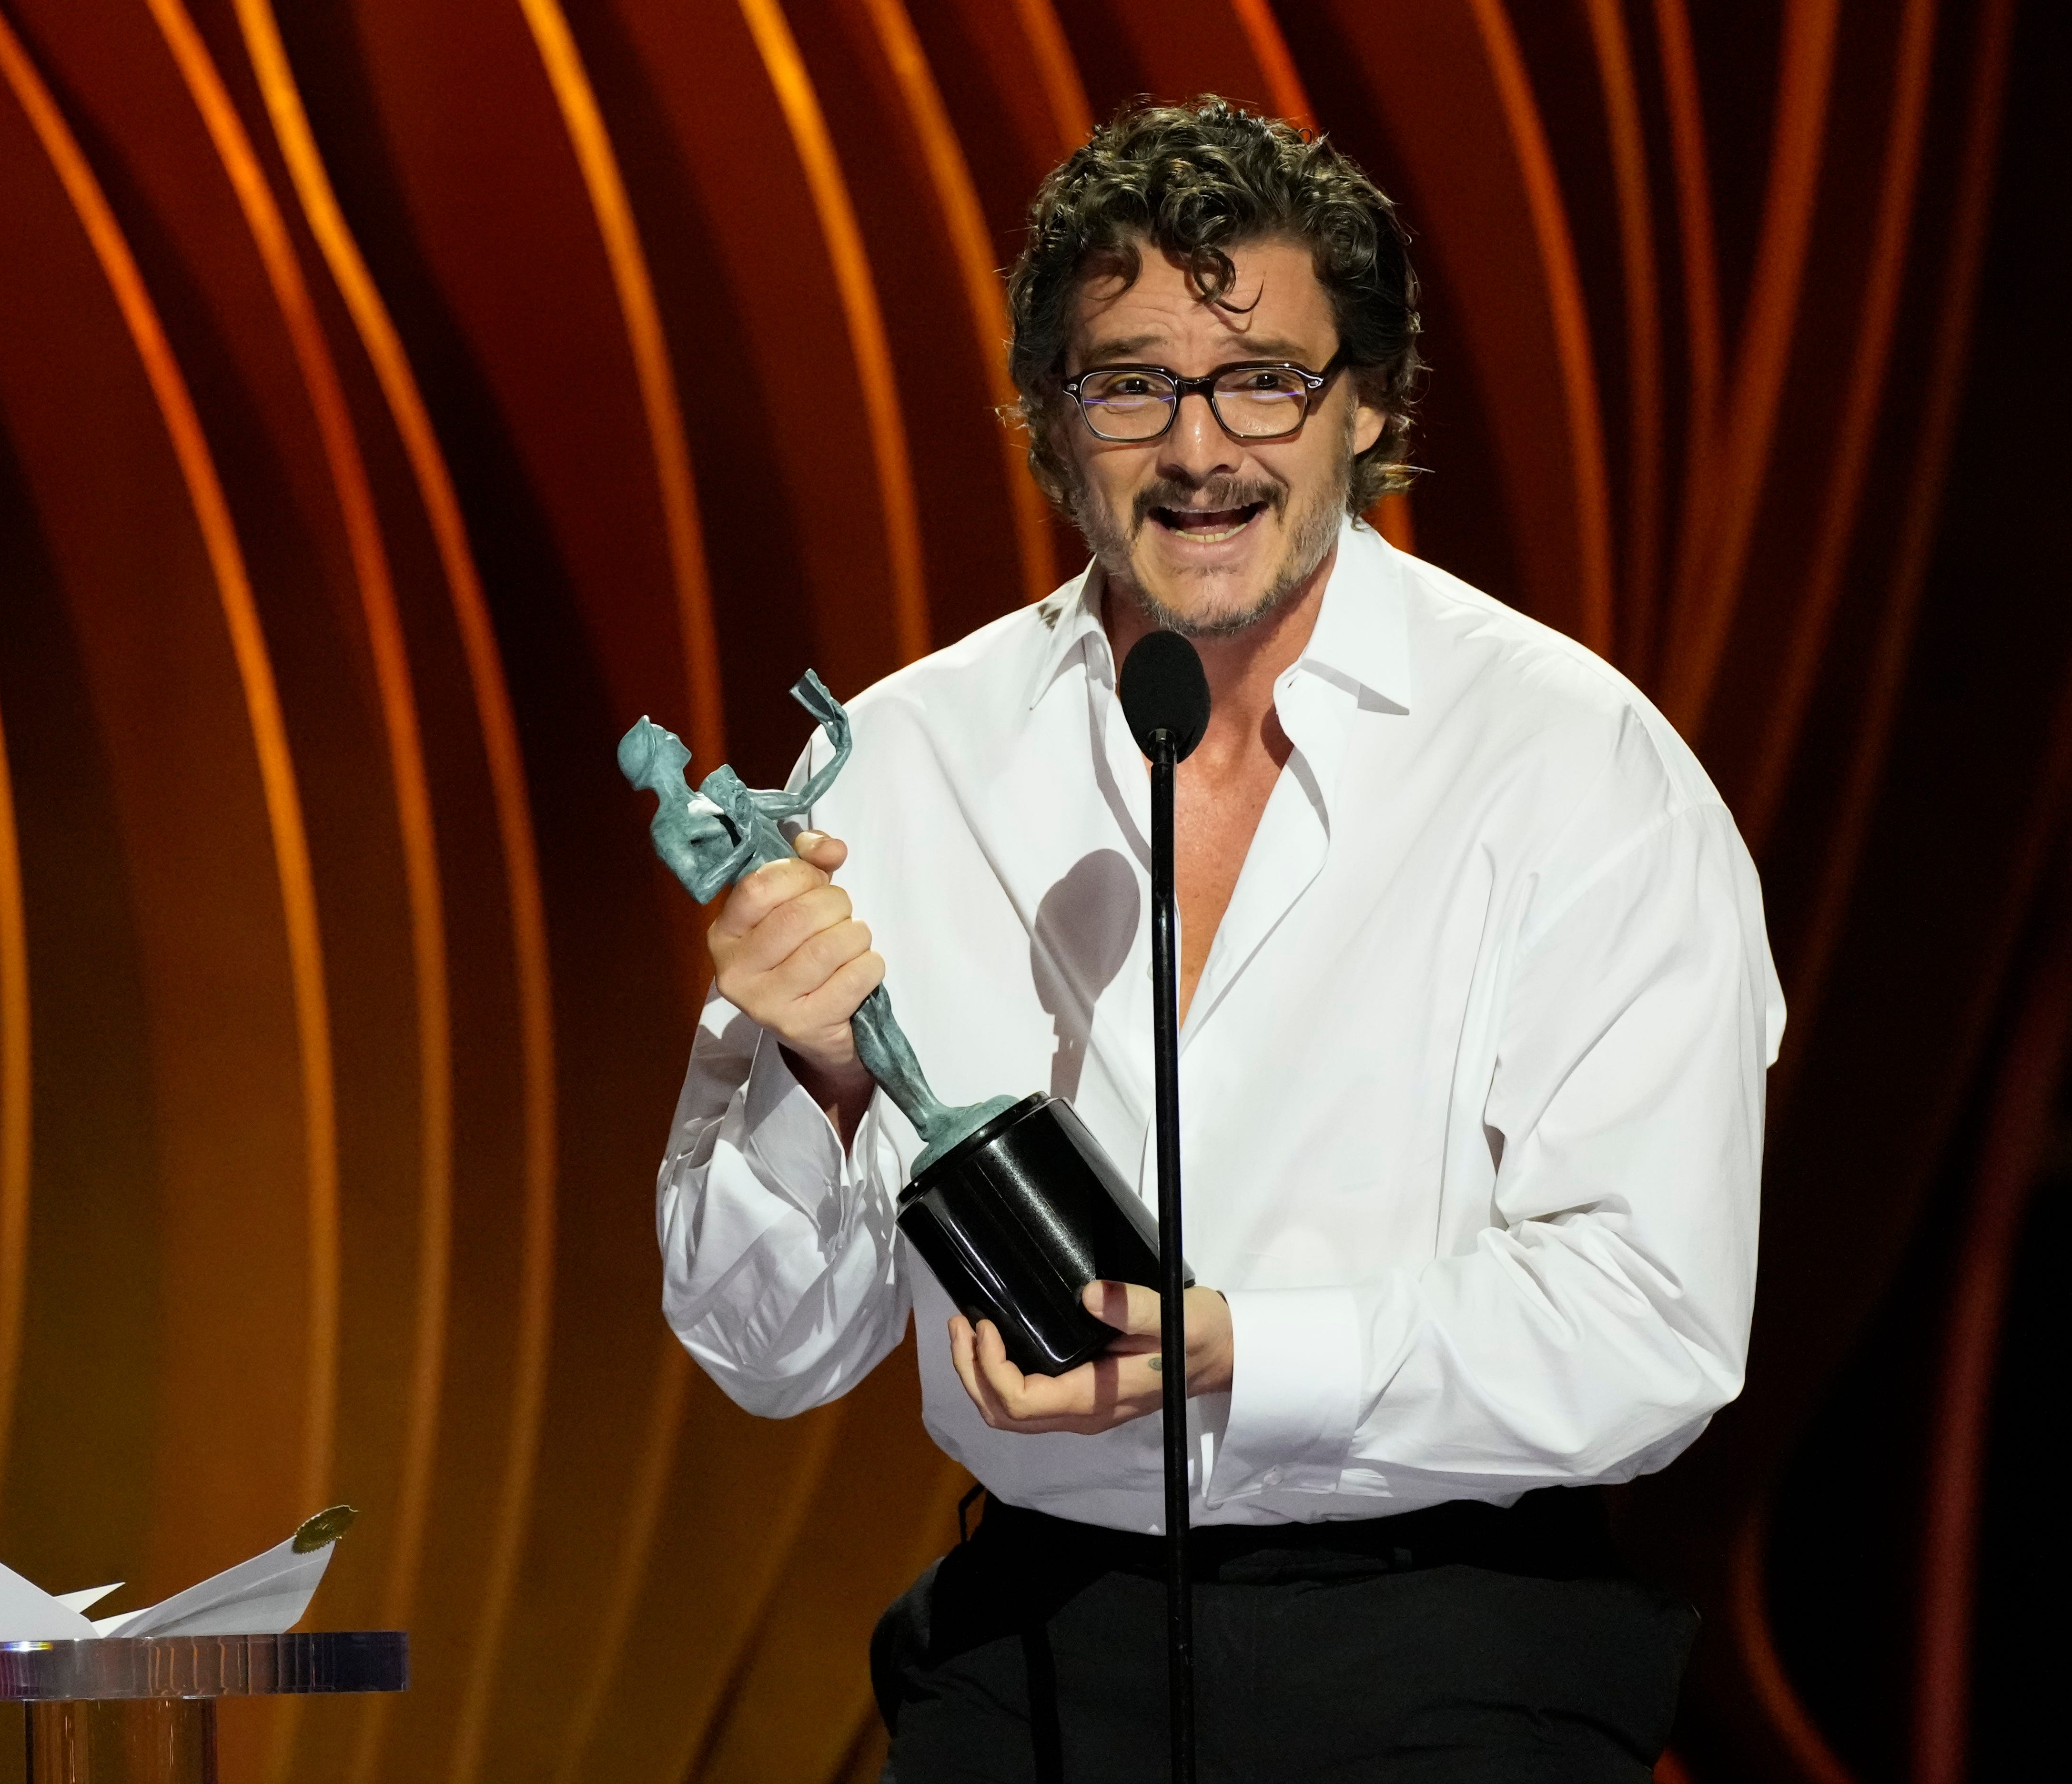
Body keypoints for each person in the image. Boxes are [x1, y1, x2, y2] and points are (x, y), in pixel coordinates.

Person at [652, 98, 1781, 1781]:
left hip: (1450, 1647)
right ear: (1054, 423)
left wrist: (1244, 1354)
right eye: (1132, 383)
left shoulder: (1572, 762)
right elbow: (766, 1354)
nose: (1201, 450)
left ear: (1368, 407)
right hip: (1040, 1641)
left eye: (1266, 380)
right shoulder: (898, 764)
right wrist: (809, 1083)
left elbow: (1653, 1323)